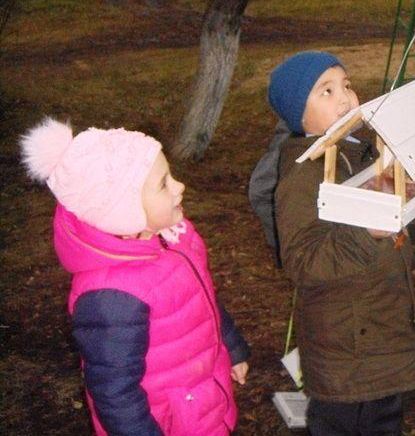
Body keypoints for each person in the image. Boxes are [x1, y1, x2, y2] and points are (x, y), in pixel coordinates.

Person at [21, 118, 250, 436]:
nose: (179, 186)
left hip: (202, 399)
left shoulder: (173, 238)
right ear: (123, 209)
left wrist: (232, 348)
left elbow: (202, 299)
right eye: (163, 183)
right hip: (168, 423)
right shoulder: (111, 297)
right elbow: (115, 396)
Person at [264, 51, 415, 435]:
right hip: (345, 353)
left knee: (384, 422)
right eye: (326, 91)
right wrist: (366, 231)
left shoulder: (365, 152)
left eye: (346, 85)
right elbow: (303, 260)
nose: (344, 98)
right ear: (298, 115)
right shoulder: (301, 177)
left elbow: (405, 213)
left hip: (383, 332)